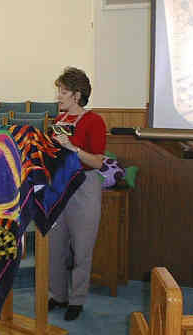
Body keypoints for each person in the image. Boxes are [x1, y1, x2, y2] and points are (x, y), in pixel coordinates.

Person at [48, 67, 107, 321]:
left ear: (77, 94)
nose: (58, 97)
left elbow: (97, 162)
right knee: (55, 247)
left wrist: (72, 148)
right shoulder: (59, 121)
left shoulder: (95, 121)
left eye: (63, 92)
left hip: (85, 186)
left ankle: (77, 300)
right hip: (59, 186)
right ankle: (57, 295)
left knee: (82, 247)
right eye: (59, 91)